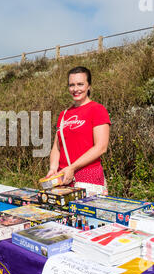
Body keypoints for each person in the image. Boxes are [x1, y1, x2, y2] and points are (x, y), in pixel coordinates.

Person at [46, 66, 111, 196]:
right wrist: (53, 168)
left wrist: (72, 167)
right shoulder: (64, 114)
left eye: (80, 84)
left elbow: (101, 147)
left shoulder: (97, 109)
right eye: (72, 85)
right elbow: (57, 147)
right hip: (63, 177)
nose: (75, 89)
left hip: (88, 176)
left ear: (89, 86)